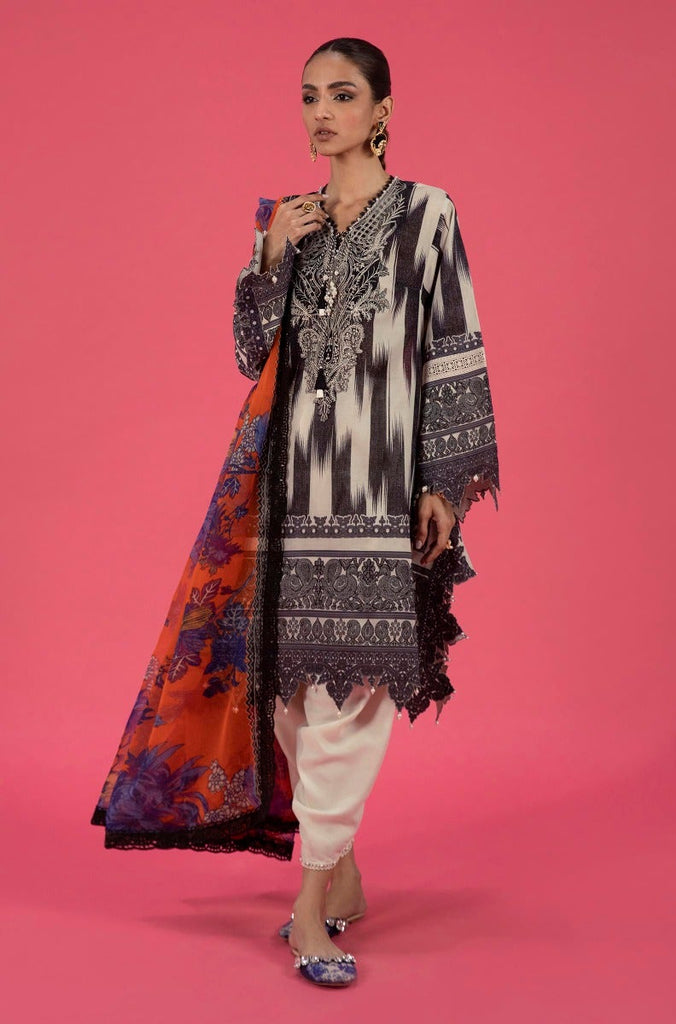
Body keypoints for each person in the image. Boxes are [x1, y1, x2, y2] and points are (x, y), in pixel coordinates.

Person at [90, 37, 501, 989]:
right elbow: (249, 352)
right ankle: (341, 864)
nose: (322, 112)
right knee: (283, 699)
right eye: (310, 96)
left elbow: (453, 344)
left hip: (379, 493)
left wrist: (444, 483)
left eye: (342, 95)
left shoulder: (427, 215)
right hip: (285, 494)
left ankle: (311, 905)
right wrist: (271, 254)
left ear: (382, 111)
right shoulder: (290, 219)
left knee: (351, 702)